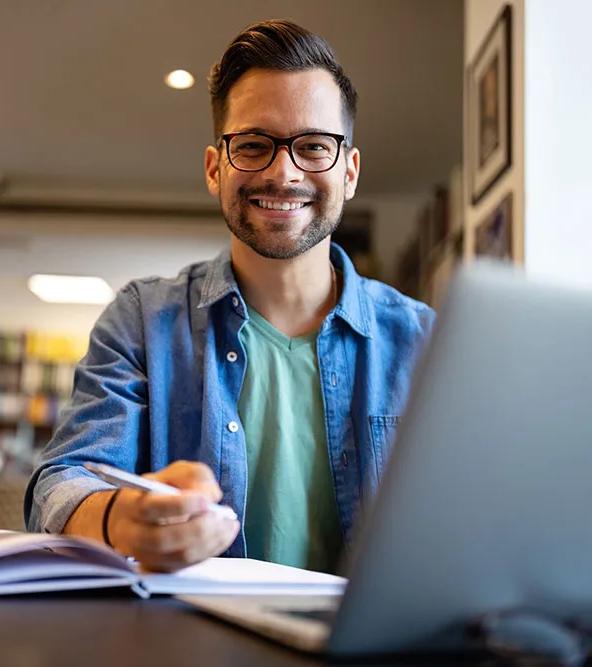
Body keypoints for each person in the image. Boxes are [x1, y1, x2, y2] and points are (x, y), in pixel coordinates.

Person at [25, 19, 435, 573]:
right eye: (253, 144)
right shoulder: (143, 322)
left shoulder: (427, 342)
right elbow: (64, 479)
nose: (283, 172)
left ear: (350, 171)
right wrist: (118, 517)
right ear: (216, 169)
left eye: (314, 146)